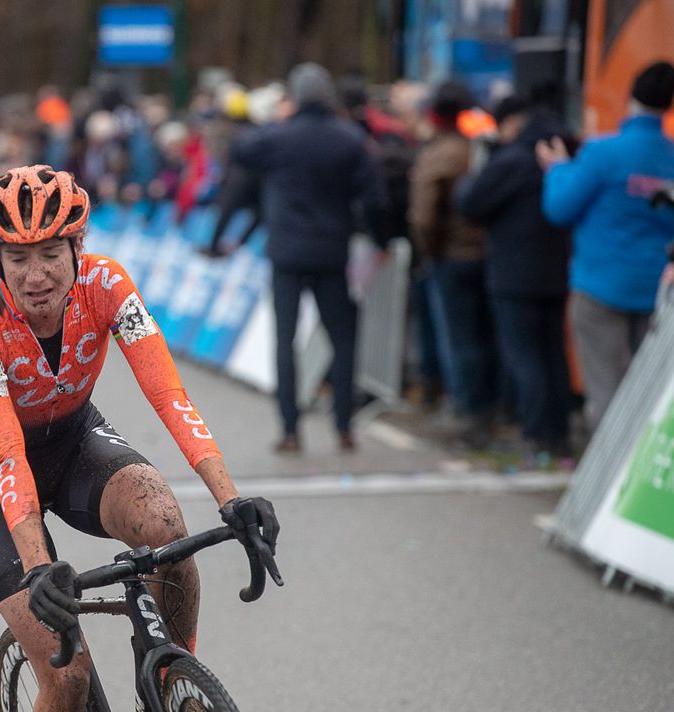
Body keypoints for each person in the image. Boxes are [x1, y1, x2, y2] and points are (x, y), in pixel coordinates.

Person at [0, 165, 280, 712]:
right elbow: (6, 452)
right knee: (66, 675)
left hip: (73, 441)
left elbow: (167, 393)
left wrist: (230, 499)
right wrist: (39, 566)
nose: (35, 274)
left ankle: (176, 693)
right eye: (17, 257)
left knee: (166, 528)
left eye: (49, 253)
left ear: (77, 247)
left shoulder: (107, 285)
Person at [232, 63, 390, 454]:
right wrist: (382, 240)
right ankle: (344, 426)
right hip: (332, 252)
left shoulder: (276, 138)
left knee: (284, 341)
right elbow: (374, 200)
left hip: (286, 252)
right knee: (342, 337)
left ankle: (289, 429)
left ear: (294, 98)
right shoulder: (350, 140)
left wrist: (276, 120)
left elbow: (238, 150)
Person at [538, 60, 674, 433]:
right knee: (649, 392)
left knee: (605, 391)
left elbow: (559, 208)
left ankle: (605, 479)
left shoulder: (601, 153)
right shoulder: (670, 157)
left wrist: (558, 169)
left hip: (601, 286)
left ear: (631, 97)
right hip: (657, 291)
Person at [456, 95, 573, 456]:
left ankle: (536, 433)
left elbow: (471, 203)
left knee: (524, 355)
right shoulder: (566, 158)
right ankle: (559, 434)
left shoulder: (510, 161)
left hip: (514, 272)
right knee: (554, 353)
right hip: (556, 271)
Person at [409, 80, 496, 448]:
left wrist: (428, 251)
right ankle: (487, 408)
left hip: (450, 257)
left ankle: (465, 411)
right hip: (486, 255)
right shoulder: (480, 151)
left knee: (457, 339)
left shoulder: (438, 155)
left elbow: (423, 217)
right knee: (484, 336)